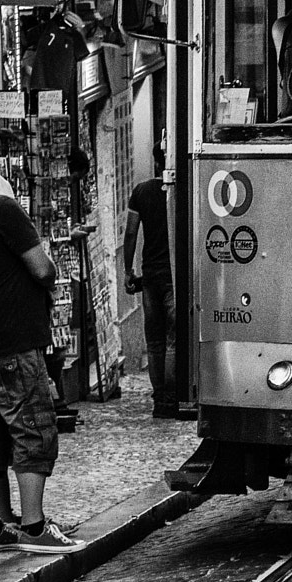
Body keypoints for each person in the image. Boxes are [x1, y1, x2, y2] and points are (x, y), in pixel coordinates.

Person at [0, 139, 82, 553]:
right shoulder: (1, 208)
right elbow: (42, 267)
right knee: (34, 430)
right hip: (9, 342)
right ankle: (34, 526)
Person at [121, 144, 177, 417]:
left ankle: (160, 399)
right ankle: (173, 396)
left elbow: (130, 234)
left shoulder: (141, 191)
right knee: (172, 340)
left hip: (151, 275)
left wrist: (128, 271)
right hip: (174, 274)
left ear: (155, 162)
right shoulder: (180, 189)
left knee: (154, 340)